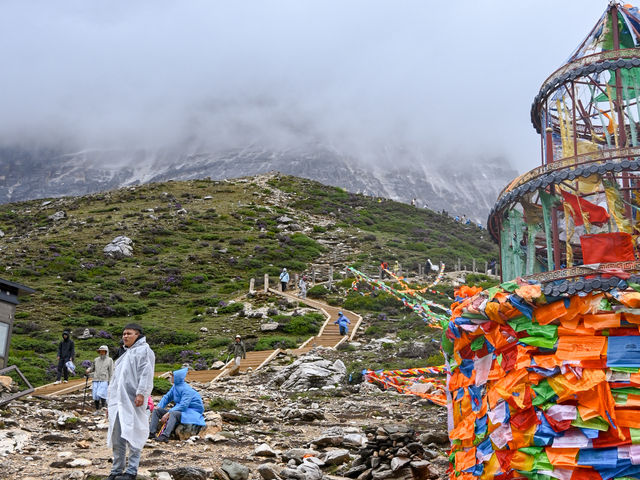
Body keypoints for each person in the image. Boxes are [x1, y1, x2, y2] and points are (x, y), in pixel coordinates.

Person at [106, 323, 155, 480]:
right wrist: (110, 403)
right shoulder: (124, 354)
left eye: (129, 333)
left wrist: (141, 393)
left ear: (138, 335)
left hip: (134, 401)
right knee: (117, 436)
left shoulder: (144, 351)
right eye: (124, 333)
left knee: (134, 433)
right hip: (118, 402)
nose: (125, 336)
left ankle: (132, 470)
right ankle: (116, 470)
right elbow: (115, 381)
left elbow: (146, 373)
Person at [148, 368, 206, 443]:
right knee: (156, 410)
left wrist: (168, 413)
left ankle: (165, 436)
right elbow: (167, 397)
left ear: (178, 378)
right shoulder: (175, 387)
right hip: (182, 411)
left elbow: (183, 406)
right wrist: (159, 406)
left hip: (191, 413)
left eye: (173, 376)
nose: (171, 378)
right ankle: (151, 433)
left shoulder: (186, 390)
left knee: (173, 413)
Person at [86, 345, 114, 411]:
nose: (102, 352)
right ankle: (97, 409)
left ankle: (103, 407)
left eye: (103, 351)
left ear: (106, 352)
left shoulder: (110, 360)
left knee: (102, 393)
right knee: (95, 395)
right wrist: (88, 370)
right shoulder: (96, 360)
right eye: (100, 351)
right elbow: (92, 368)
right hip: (96, 379)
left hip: (104, 379)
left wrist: (110, 381)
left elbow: (111, 371)